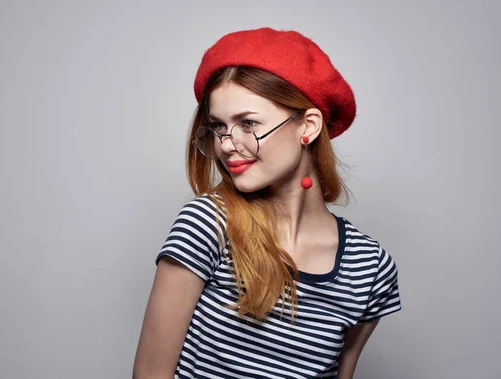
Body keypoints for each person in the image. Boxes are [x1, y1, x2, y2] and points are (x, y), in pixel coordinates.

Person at [133, 27, 401, 379]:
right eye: (218, 126)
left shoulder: (371, 269)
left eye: (248, 123)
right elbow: (151, 374)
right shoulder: (208, 225)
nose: (226, 144)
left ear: (307, 126)